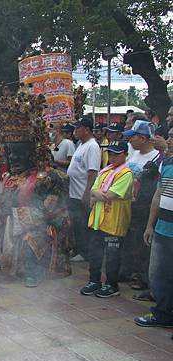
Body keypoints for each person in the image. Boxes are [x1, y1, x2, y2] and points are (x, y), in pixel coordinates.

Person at [0, 88, 71, 287]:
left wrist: (23, 217)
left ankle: (33, 272)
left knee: (31, 236)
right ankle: (10, 260)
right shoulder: (13, 176)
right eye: (11, 154)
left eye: (19, 154)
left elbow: (53, 211)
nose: (13, 158)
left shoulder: (51, 177)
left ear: (32, 153)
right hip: (18, 222)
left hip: (45, 226)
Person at [80, 140, 133, 298]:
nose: (112, 157)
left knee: (112, 255)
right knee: (95, 252)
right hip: (98, 220)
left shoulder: (126, 174)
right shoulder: (105, 171)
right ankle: (94, 281)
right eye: (110, 153)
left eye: (116, 154)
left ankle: (112, 284)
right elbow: (94, 191)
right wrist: (97, 194)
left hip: (114, 222)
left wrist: (97, 194)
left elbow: (110, 195)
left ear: (125, 154)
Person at [118, 120, 163, 292]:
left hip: (144, 206)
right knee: (130, 240)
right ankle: (129, 271)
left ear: (143, 138)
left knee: (143, 243)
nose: (130, 141)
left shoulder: (157, 158)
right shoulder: (134, 155)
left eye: (133, 137)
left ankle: (144, 277)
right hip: (129, 205)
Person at [134, 152, 173, 328]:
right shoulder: (167, 164)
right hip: (162, 228)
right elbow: (158, 196)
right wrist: (150, 225)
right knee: (158, 274)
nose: (170, 140)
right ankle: (162, 314)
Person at [67, 115, 101, 263]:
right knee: (77, 223)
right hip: (73, 193)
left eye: (78, 128)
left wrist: (87, 194)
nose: (75, 131)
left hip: (82, 193)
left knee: (83, 224)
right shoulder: (81, 144)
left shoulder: (92, 146)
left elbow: (92, 172)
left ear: (86, 130)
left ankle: (85, 252)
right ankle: (78, 249)